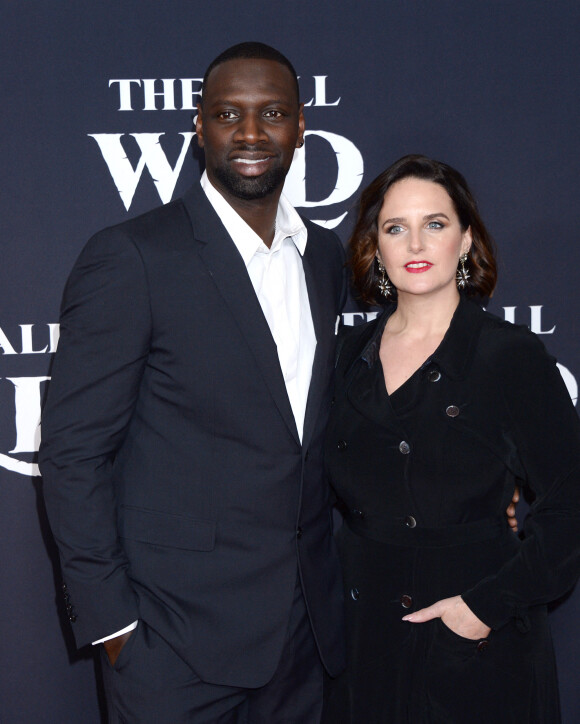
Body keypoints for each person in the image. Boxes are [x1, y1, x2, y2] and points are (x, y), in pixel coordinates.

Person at [39, 42, 346, 724]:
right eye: (228, 113)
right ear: (199, 128)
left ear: (301, 127)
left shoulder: (324, 256)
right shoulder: (135, 257)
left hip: (304, 643)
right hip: (172, 649)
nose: (250, 133)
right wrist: (114, 628)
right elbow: (71, 454)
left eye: (271, 113)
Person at [322, 154, 580, 723]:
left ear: (465, 239)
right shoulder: (344, 357)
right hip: (363, 643)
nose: (415, 243)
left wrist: (483, 607)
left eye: (435, 224)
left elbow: (571, 502)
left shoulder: (509, 356)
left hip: (476, 644)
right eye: (396, 227)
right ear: (376, 246)